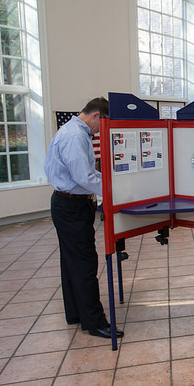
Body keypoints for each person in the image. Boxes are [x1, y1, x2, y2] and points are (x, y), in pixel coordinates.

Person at [44, 97, 124, 339]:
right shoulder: (75, 136)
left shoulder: (71, 130)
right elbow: (84, 177)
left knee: (71, 263)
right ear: (96, 116)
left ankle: (76, 314)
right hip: (72, 206)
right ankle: (94, 321)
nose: (103, 130)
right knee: (85, 264)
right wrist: (116, 188)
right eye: (104, 123)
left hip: (67, 202)